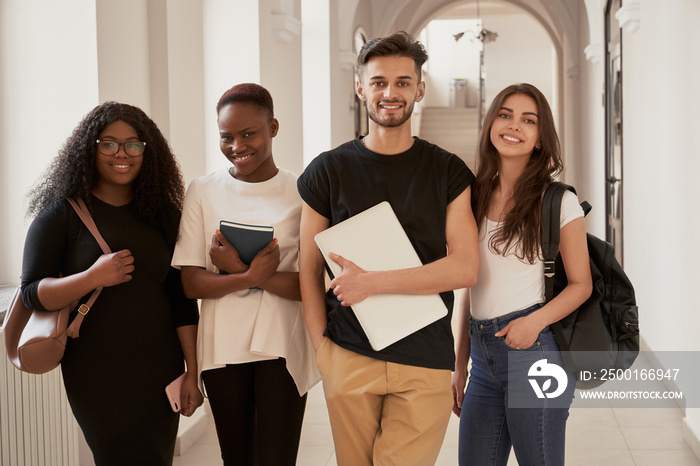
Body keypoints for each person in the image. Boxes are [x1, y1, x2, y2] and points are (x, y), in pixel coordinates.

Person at [297, 31, 479, 466]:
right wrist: (323, 351)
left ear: (419, 88)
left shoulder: (448, 171)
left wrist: (372, 283)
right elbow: (306, 267)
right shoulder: (328, 170)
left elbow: (465, 268)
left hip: (425, 359)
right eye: (379, 82)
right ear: (361, 87)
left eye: (402, 82)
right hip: (349, 353)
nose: (390, 93)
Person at [21, 101, 202, 465]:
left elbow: (181, 300)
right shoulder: (62, 213)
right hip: (94, 369)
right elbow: (31, 294)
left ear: (146, 153)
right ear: (92, 148)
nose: (122, 154)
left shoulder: (164, 214)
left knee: (156, 457)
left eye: (133, 144)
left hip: (158, 365)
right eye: (109, 143)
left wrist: (193, 372)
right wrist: (92, 277)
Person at [172, 83, 318, 466]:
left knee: (277, 457)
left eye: (248, 133)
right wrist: (246, 274)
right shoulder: (202, 191)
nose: (237, 145)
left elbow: (311, 285)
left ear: (273, 127)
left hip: (283, 344)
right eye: (226, 137)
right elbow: (190, 282)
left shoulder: (303, 193)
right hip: (222, 347)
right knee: (236, 457)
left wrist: (242, 271)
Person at [451, 83, 593, 466]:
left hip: (535, 352)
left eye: (528, 120)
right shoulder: (472, 195)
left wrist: (533, 324)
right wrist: (459, 362)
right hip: (481, 361)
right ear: (491, 123)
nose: (514, 125)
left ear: (540, 139)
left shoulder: (558, 200)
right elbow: (468, 281)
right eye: (505, 114)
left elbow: (582, 285)